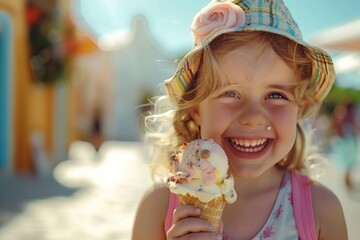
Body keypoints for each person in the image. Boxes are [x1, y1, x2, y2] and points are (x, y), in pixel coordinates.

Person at [132, 0, 348, 239]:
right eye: (230, 93)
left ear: (300, 108)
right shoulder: (158, 208)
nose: (253, 118)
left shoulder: (322, 210)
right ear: (195, 109)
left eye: (276, 95)